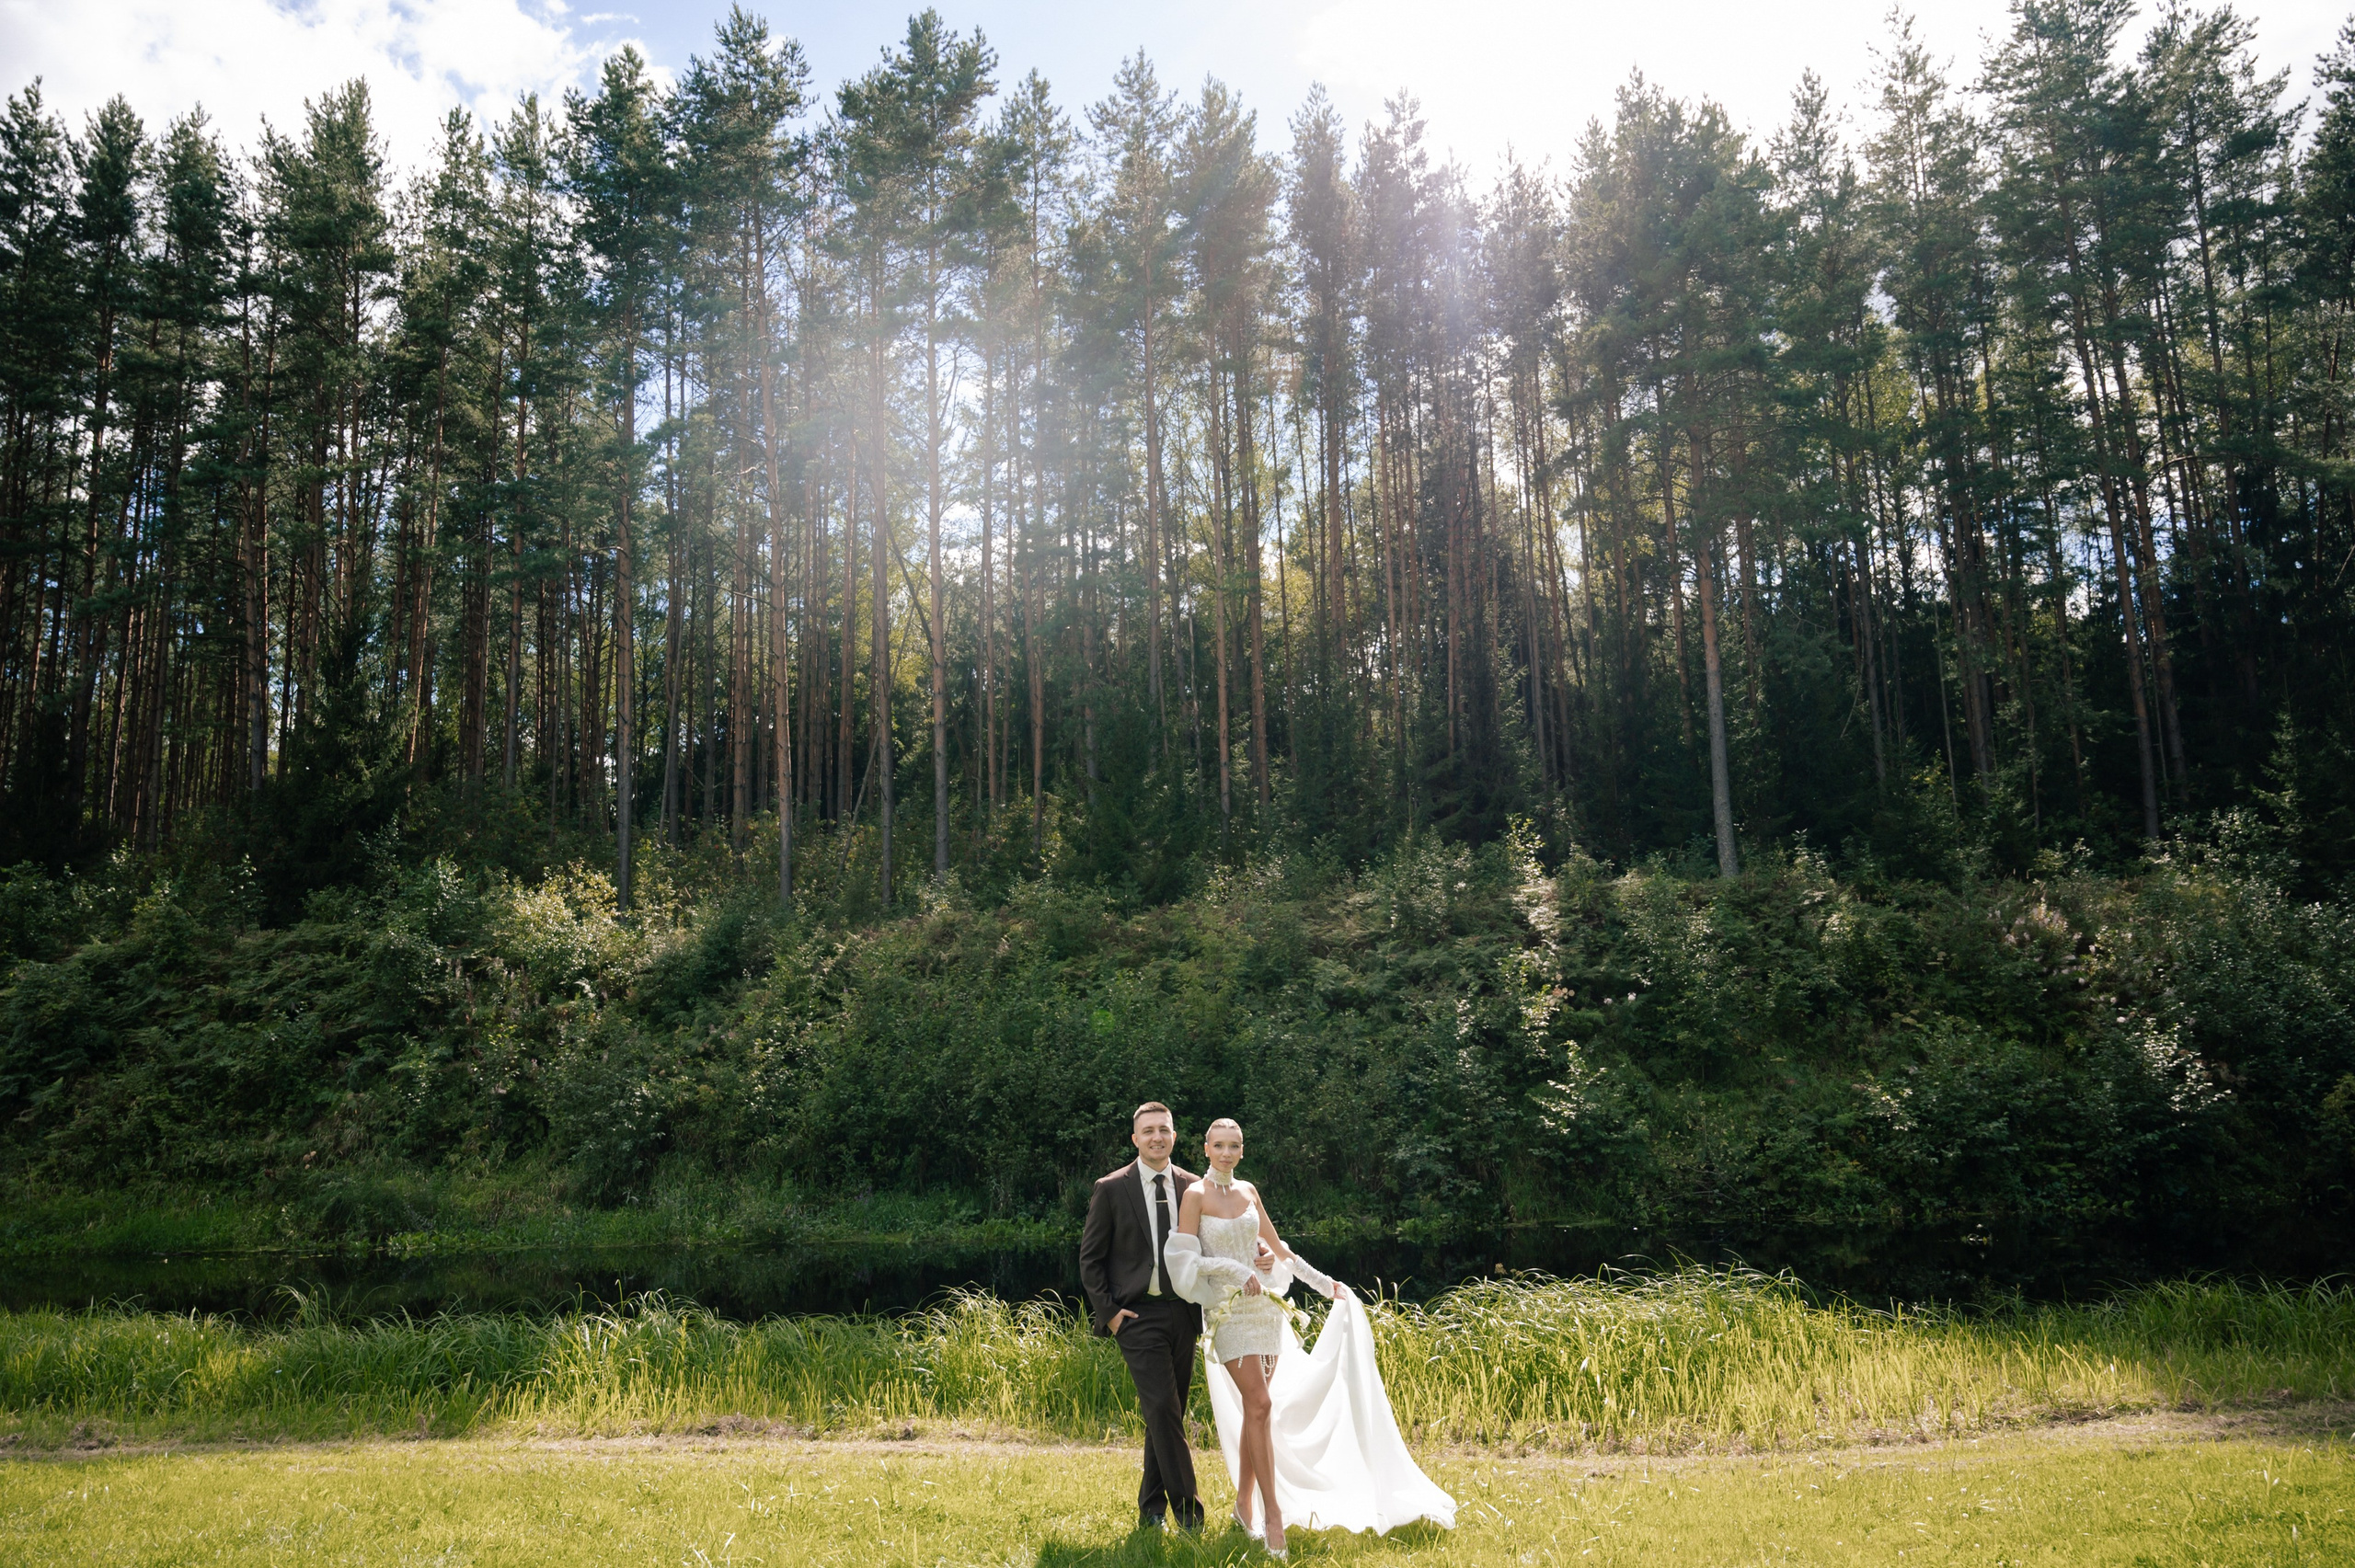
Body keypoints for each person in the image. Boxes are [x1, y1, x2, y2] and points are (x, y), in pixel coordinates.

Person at [1162, 1117, 1455, 1556]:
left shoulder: (1248, 1192)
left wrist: (1324, 1284)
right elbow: (1184, 1261)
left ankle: (1244, 1506)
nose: (1226, 1153)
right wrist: (1236, 1269)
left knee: (1255, 1411)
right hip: (1227, 1314)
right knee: (1260, 1404)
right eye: (1219, 1145)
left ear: (1242, 1150)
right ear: (1205, 1148)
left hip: (1265, 1312)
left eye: (1234, 1145)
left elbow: (1279, 1251)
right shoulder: (1195, 1195)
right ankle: (1273, 1515)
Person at [1077, 1100, 1204, 1533]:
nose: (1157, 1137)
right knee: (1165, 1411)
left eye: (1164, 1130)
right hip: (1136, 1316)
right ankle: (1190, 1515)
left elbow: (1216, 1241)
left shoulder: (1193, 1187)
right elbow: (1090, 1260)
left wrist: (1259, 1254)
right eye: (1148, 1131)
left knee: (1164, 1413)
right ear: (1135, 1139)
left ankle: (1151, 1510)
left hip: (1183, 1313)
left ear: (1174, 1135)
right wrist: (1110, 1315)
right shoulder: (1111, 1188)